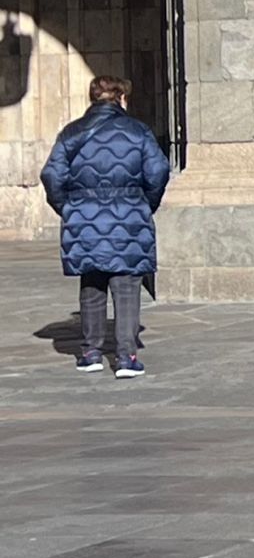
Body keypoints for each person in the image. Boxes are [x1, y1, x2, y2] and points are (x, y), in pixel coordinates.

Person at [42, 77, 170, 379]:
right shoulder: (138, 132)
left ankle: (90, 353)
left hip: (83, 220)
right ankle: (126, 357)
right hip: (129, 218)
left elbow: (51, 175)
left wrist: (69, 208)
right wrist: (144, 204)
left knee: (92, 284)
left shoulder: (72, 133)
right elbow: (158, 170)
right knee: (126, 286)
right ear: (121, 98)